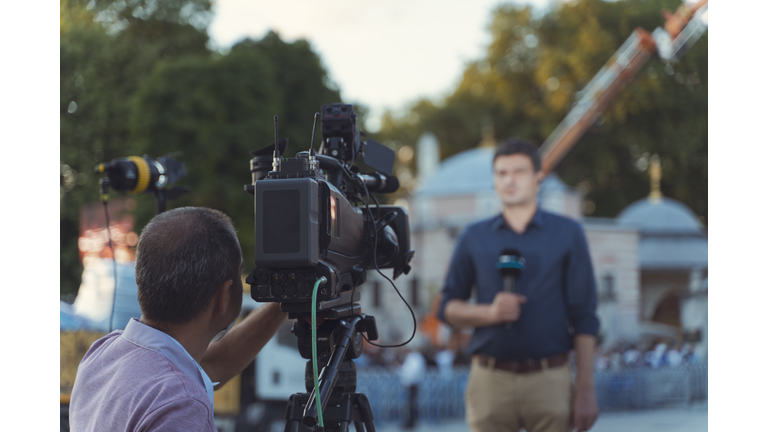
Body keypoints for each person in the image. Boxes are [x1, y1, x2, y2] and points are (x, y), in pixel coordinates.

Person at [70, 207, 287, 431]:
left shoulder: (103, 354)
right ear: (223, 296)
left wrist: (283, 303)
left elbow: (214, 365)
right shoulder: (182, 404)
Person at [437, 138, 600, 432]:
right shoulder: (473, 236)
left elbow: (585, 316)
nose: (509, 180)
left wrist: (586, 389)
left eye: (519, 171)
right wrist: (489, 314)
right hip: (489, 380)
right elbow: (447, 308)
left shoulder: (568, 233)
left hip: (550, 377)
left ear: (539, 176)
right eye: (501, 173)